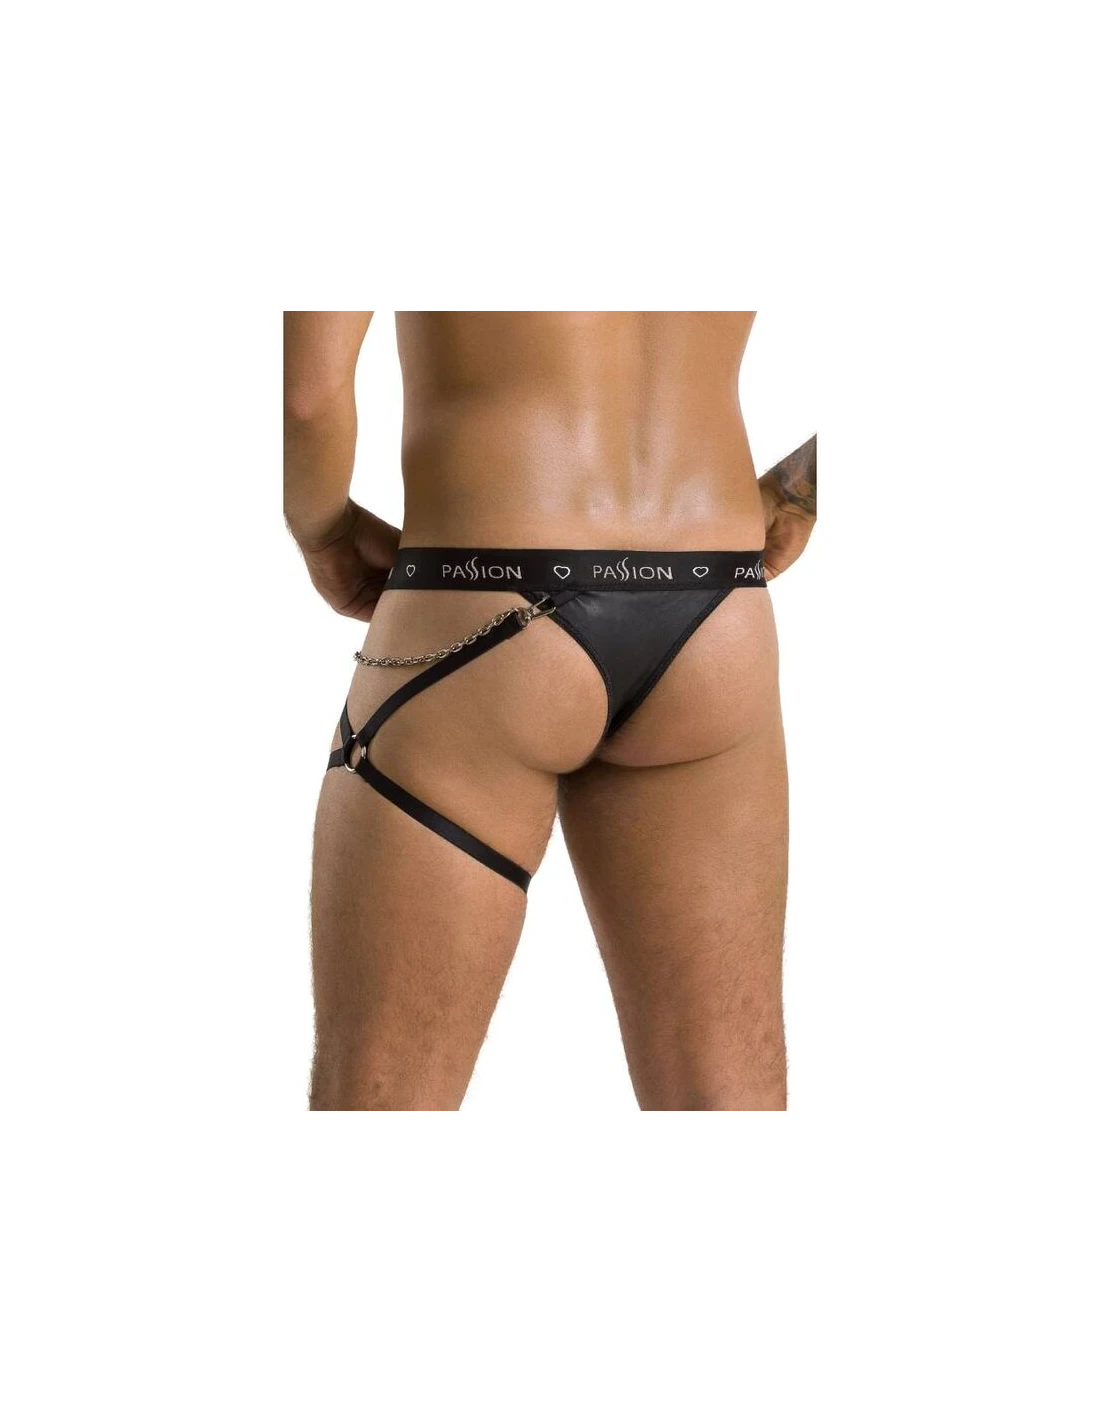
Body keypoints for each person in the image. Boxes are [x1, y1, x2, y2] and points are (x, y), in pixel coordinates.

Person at [284, 305, 816, 1111]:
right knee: (724, 1104)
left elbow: (309, 397)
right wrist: (801, 490)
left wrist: (322, 529)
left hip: (484, 604)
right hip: (714, 604)